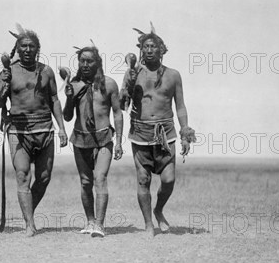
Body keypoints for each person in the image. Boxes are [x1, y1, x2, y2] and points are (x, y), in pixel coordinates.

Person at [121, 24, 196, 238]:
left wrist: (185, 133)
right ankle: (148, 225)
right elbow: (122, 104)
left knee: (169, 180)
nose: (150, 50)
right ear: (141, 50)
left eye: (154, 46)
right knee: (143, 180)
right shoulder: (134, 73)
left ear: (161, 50)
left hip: (166, 135)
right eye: (146, 46)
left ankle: (158, 209)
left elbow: (179, 106)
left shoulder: (173, 75)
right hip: (140, 134)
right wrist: (128, 82)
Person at [0, 25, 67, 237]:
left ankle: (28, 211)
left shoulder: (46, 71)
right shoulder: (8, 72)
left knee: (44, 177)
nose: (27, 49)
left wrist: (61, 128)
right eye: (23, 46)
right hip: (18, 131)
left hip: (44, 128)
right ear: (17, 48)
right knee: (22, 175)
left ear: (38, 49)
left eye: (31, 46)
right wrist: (4, 85)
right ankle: (29, 224)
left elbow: (54, 99)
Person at [62, 44, 123, 238]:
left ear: (98, 62)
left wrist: (120, 141)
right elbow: (68, 116)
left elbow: (118, 113)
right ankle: (89, 221)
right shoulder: (75, 84)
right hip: (80, 138)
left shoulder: (109, 84)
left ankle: (100, 224)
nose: (86, 64)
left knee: (100, 179)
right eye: (82, 61)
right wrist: (69, 98)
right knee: (86, 181)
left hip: (104, 137)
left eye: (90, 61)